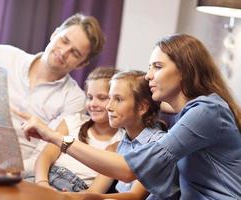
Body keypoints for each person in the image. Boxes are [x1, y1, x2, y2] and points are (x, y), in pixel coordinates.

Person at [20, 34, 241, 199]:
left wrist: (53, 136)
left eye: (157, 66)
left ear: (185, 69)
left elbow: (127, 170)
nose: (149, 75)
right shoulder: (192, 111)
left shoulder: (206, 112)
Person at [0, 13, 105, 174]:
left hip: (8, 167)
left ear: (82, 63)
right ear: (55, 34)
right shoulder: (1, 54)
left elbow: (46, 154)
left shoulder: (74, 99)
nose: (64, 52)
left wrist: (11, 171)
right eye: (64, 40)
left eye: (75, 53)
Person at [18, 70, 178, 199]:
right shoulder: (123, 142)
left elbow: (134, 196)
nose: (109, 106)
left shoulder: (156, 143)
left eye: (118, 99)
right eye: (109, 98)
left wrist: (76, 197)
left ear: (142, 107)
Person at [32, 67, 124, 192]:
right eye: (90, 97)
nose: (93, 103)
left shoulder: (120, 142)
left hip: (75, 192)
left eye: (102, 98)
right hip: (43, 179)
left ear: (118, 99)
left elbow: (95, 192)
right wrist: (42, 184)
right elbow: (45, 157)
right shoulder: (73, 121)